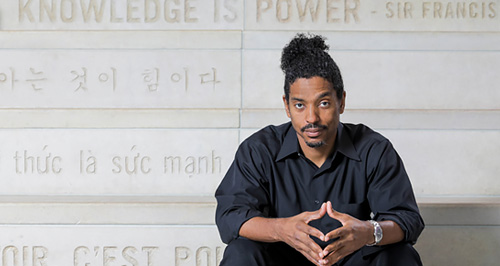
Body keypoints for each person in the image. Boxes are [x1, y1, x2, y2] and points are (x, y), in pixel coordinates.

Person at [215, 33, 424, 266]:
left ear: (341, 101)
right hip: (283, 261)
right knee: (241, 252)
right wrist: (281, 228)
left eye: (323, 103)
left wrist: (368, 231)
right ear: (286, 106)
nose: (311, 118)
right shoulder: (259, 150)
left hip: (352, 260)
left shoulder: (373, 149)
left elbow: (407, 220)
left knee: (399, 254)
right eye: (299, 105)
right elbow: (230, 216)